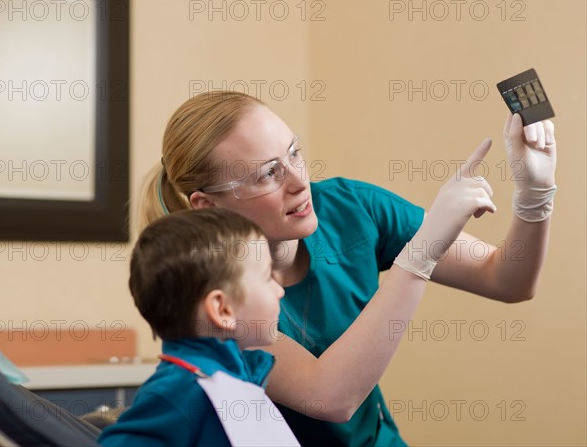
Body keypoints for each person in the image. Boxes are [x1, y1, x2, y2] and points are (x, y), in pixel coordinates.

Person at [138, 91, 557, 446]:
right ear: (208, 205)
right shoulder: (214, 300)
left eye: (295, 153)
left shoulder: (350, 209)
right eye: (269, 174)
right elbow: (330, 398)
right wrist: (421, 253)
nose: (299, 181)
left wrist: (534, 194)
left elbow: (508, 279)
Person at [98, 208, 297, 446]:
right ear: (222, 310)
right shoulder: (177, 390)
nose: (279, 290)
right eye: (267, 278)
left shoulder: (236, 376)